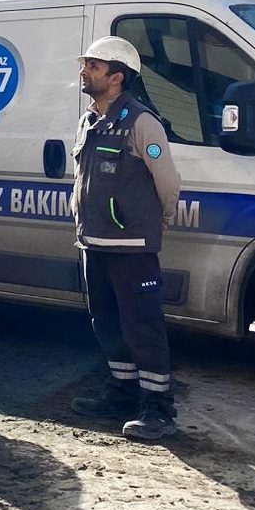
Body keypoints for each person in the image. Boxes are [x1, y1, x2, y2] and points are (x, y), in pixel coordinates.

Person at [70, 36, 183, 441]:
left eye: (94, 66)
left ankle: (158, 409)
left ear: (117, 77)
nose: (84, 71)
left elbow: (167, 180)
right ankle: (120, 392)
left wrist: (163, 216)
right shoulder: (90, 119)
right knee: (107, 324)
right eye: (86, 65)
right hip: (94, 243)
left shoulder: (141, 122)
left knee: (142, 326)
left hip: (131, 246)